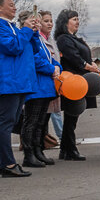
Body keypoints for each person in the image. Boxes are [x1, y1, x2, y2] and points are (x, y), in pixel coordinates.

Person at [0, 0, 36, 177]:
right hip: (9, 80)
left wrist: (31, 32)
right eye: (11, 5)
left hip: (18, 80)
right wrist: (27, 31)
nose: (14, 8)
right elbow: (13, 47)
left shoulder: (11, 27)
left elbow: (27, 49)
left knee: (10, 121)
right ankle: (8, 164)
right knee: (6, 122)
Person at [54, 9, 99, 161]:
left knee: (72, 116)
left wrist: (91, 63)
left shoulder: (76, 39)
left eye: (78, 19)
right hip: (72, 82)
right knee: (71, 114)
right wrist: (88, 66)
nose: (77, 21)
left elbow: (83, 55)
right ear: (65, 22)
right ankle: (70, 149)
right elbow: (74, 58)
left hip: (81, 81)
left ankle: (65, 149)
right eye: (74, 19)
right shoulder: (63, 39)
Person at [18, 10, 58, 168]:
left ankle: (38, 150)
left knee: (41, 122)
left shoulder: (38, 39)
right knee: (31, 121)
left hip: (46, 85)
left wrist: (57, 67)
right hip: (36, 85)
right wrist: (51, 68)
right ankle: (28, 153)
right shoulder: (26, 37)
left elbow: (48, 56)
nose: (37, 23)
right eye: (33, 21)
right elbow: (35, 59)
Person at [38, 10, 62, 149]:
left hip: (54, 82)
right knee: (40, 118)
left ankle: (43, 142)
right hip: (43, 82)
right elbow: (41, 60)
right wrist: (53, 69)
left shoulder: (51, 40)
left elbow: (56, 60)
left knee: (50, 114)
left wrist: (58, 69)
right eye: (46, 21)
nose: (50, 24)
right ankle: (38, 145)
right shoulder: (38, 39)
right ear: (39, 22)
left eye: (51, 21)